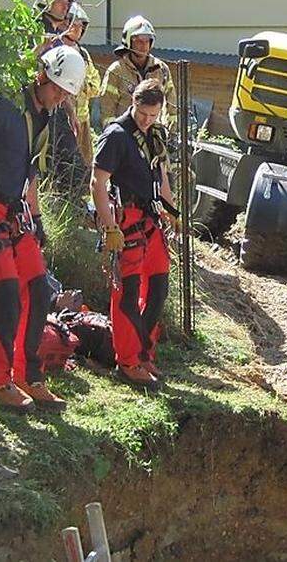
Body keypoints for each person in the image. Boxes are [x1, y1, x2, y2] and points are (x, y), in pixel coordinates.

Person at [0, 46, 87, 413]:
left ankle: (29, 374)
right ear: (42, 76)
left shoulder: (43, 116)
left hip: (16, 211)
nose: (60, 98)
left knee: (39, 290)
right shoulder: (4, 106)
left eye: (65, 94)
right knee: (7, 293)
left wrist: (38, 217)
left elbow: (30, 172)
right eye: (57, 89)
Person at [90, 79, 179, 391]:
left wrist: (173, 212)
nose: (146, 120)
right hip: (127, 221)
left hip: (152, 221)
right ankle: (127, 362)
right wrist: (110, 227)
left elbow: (162, 177)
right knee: (126, 295)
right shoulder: (116, 135)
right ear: (133, 104)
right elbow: (97, 182)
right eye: (142, 114)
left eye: (153, 115)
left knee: (158, 289)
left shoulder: (156, 135)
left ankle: (143, 353)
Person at [36, 1, 102, 191]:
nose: (76, 29)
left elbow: (95, 85)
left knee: (84, 163)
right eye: (72, 24)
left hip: (82, 119)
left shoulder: (83, 54)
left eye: (80, 26)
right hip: (57, 112)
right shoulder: (53, 47)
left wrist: (77, 86)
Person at [100, 15, 176, 128]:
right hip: (125, 133)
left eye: (147, 41)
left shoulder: (161, 69)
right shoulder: (116, 71)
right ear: (128, 42)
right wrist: (114, 135)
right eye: (139, 41)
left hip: (152, 132)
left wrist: (171, 132)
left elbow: (171, 104)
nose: (143, 46)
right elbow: (107, 108)